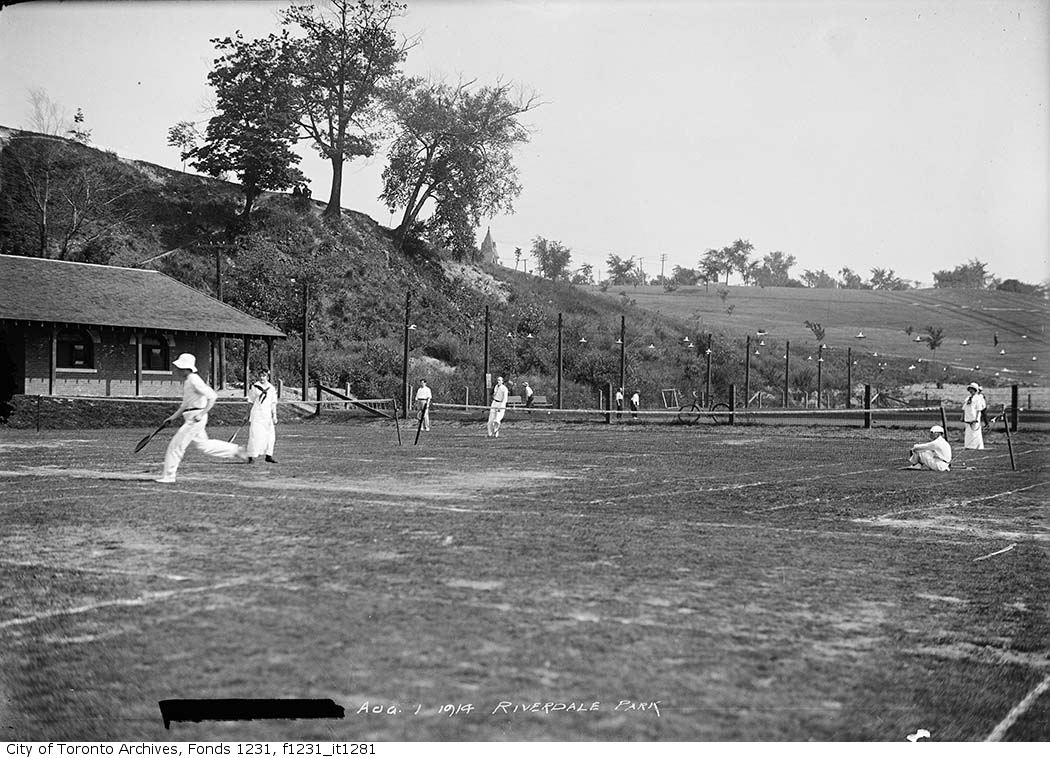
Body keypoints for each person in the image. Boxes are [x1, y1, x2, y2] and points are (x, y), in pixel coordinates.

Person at [156, 353, 246, 483]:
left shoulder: (194, 379)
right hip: (191, 417)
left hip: (195, 419)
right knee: (204, 445)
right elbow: (185, 405)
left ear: (186, 368)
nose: (177, 370)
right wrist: (172, 417)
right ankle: (237, 450)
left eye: (179, 368)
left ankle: (169, 476)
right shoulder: (188, 381)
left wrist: (201, 414)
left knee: (176, 445)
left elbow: (212, 396)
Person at [246, 369, 278, 463]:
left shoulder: (271, 388)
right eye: (260, 376)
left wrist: (274, 415)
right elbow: (250, 401)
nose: (262, 378)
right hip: (257, 414)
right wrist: (247, 414)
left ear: (267, 377)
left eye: (263, 376)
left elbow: (273, 403)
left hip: (267, 415)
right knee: (255, 435)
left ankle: (269, 455)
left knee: (270, 436)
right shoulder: (254, 387)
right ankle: (251, 456)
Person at [962, 382, 987, 450]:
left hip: (974, 418)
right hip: (968, 417)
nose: (971, 391)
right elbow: (964, 408)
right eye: (970, 389)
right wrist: (963, 417)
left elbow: (979, 409)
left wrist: (976, 418)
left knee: (975, 432)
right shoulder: (967, 398)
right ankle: (968, 445)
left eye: (972, 389)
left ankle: (976, 446)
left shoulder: (978, 398)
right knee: (968, 432)